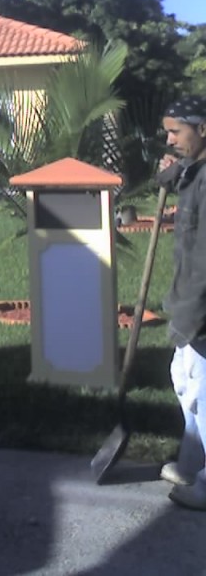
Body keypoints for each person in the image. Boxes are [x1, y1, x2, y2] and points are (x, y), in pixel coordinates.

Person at [157, 95, 206, 509]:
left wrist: (193, 315)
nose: (169, 138)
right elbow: (180, 179)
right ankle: (193, 465)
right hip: (188, 300)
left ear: (202, 129)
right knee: (186, 382)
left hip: (202, 306)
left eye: (176, 131)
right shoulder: (195, 170)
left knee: (205, 393)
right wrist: (169, 173)